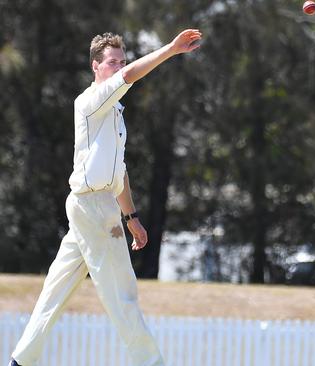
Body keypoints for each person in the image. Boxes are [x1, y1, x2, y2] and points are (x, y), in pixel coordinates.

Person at [8, 28, 202, 366]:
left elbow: (119, 173)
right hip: (92, 207)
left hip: (98, 206)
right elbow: (129, 76)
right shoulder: (90, 100)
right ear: (96, 67)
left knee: (56, 288)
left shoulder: (115, 115)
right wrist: (171, 49)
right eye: (111, 63)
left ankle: (20, 362)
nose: (118, 67)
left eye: (121, 61)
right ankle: (150, 362)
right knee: (122, 292)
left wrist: (132, 217)